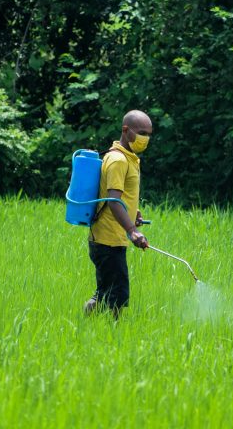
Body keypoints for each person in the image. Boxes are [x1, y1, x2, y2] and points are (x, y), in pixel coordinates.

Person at [84, 110, 152, 318]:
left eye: (149, 134)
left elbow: (121, 197)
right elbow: (113, 201)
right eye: (141, 132)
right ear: (126, 130)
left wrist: (133, 214)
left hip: (111, 237)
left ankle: (93, 325)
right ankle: (113, 334)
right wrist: (132, 230)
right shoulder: (118, 160)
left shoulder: (128, 158)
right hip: (108, 239)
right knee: (116, 296)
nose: (145, 139)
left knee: (107, 293)